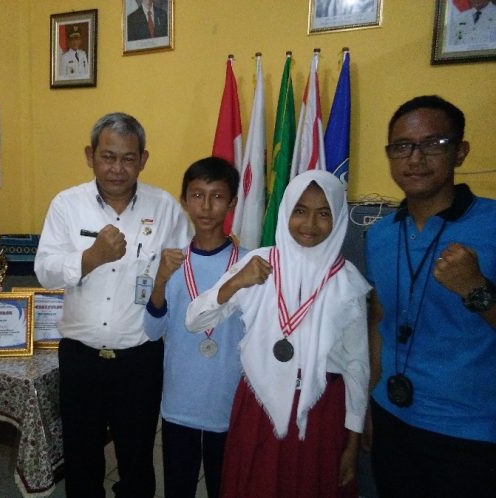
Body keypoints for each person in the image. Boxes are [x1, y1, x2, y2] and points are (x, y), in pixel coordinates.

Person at [34, 112, 192, 498]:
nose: (117, 168)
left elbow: (189, 269)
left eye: (128, 158)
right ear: (90, 156)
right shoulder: (66, 205)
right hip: (81, 358)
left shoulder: (166, 208)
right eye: (108, 156)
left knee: (137, 460)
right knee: (82, 458)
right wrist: (91, 257)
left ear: (143, 159)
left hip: (139, 359)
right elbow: (45, 272)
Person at [186, 170, 371, 497]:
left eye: (323, 213)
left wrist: (352, 443)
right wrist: (234, 283)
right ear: (286, 211)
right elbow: (194, 321)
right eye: (300, 210)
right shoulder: (258, 262)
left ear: (339, 217)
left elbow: (357, 365)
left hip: (319, 408)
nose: (310, 224)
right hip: (260, 402)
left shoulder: (347, 281)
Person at [365, 95, 496, 497]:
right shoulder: (380, 234)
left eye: (434, 144)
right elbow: (379, 323)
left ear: (460, 152)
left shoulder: (491, 225)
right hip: (391, 417)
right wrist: (367, 405)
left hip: (469, 431)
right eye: (402, 146)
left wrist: (477, 290)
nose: (415, 158)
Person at [143, 157, 246, 498]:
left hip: (229, 400)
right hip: (179, 400)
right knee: (178, 487)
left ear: (232, 202)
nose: (206, 206)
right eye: (197, 195)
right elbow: (152, 330)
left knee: (226, 487)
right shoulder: (169, 262)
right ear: (184, 200)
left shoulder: (249, 265)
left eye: (217, 196)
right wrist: (159, 282)